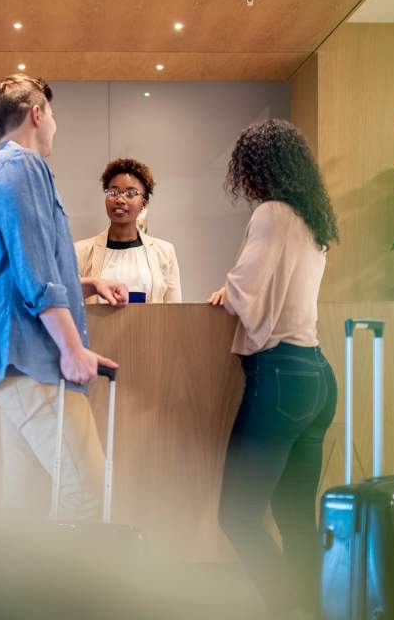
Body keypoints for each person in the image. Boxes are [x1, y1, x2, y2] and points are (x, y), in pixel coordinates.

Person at [0, 74, 127, 521]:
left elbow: (22, 263)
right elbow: (35, 269)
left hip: (11, 364)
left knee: (27, 505)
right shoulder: (21, 167)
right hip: (31, 360)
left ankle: (22, 591)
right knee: (88, 493)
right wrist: (72, 349)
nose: (54, 124)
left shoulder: (1, 169)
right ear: (37, 113)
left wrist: (86, 285)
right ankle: (70, 593)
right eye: (51, 113)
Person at [208, 119, 339, 619]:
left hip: (280, 376)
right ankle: (311, 611)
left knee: (237, 515)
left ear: (254, 167)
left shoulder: (271, 213)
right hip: (316, 375)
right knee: (295, 519)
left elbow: (245, 291)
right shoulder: (312, 218)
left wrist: (227, 289)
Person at [75, 158, 181, 303]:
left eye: (130, 193)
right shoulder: (80, 251)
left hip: (150, 326)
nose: (120, 199)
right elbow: (71, 304)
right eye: (113, 192)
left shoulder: (165, 252)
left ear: (143, 203)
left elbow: (174, 313)